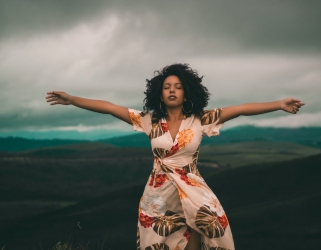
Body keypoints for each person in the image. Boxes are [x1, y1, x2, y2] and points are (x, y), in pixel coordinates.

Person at [46, 63, 305, 250]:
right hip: (158, 195)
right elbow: (111, 108)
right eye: (167, 87)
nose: (172, 90)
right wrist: (72, 100)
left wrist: (279, 104)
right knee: (160, 243)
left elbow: (240, 109)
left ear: (186, 92)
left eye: (178, 87)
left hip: (192, 189)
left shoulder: (201, 119)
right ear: (159, 92)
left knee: (207, 229)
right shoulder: (149, 120)